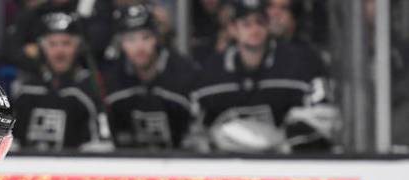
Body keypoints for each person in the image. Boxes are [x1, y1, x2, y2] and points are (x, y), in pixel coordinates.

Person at [190, 0, 335, 153]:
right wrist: (211, 140)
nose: (254, 29)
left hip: (288, 165)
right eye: (246, 24)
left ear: (268, 26)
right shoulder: (211, 71)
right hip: (228, 167)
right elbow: (193, 128)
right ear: (232, 29)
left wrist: (284, 138)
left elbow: (325, 118)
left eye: (260, 22)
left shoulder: (299, 64)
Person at [10, 10, 110, 152]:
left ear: (78, 47)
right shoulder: (26, 90)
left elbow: (100, 147)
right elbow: (9, 143)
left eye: (66, 43)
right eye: (52, 44)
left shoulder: (89, 89)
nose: (59, 51)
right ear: (42, 48)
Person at [102, 4, 199, 149]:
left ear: (157, 38)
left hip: (180, 164)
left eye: (146, 37)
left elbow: (197, 134)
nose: (139, 47)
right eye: (130, 39)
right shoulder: (112, 77)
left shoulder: (184, 72)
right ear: (121, 43)